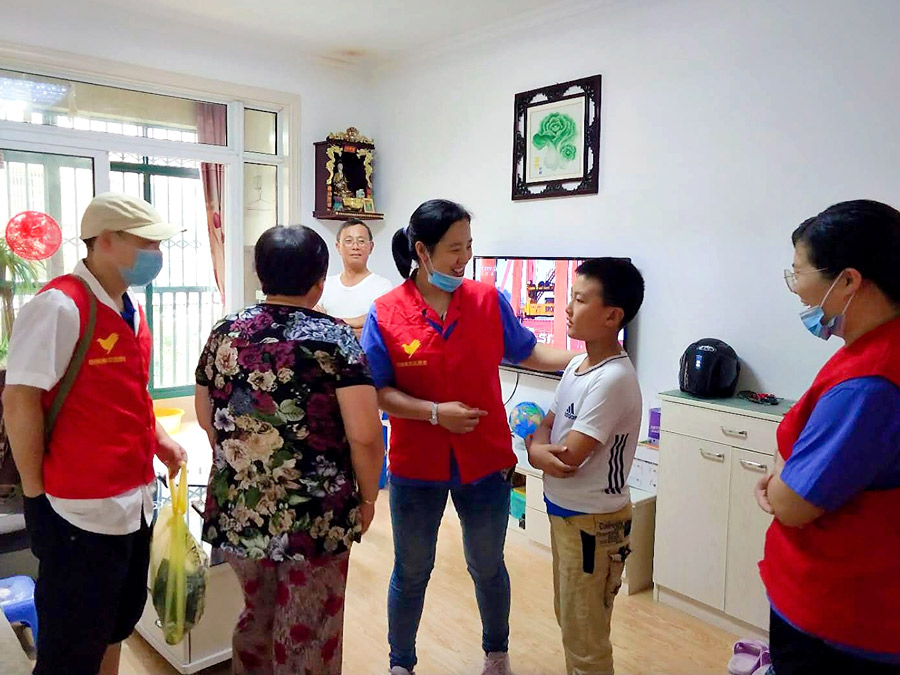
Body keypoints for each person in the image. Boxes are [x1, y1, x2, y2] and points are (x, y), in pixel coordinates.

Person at [360, 199, 577, 675]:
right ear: (423, 251)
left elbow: (528, 352)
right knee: (412, 570)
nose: (464, 258)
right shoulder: (386, 313)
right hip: (417, 464)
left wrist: (589, 359)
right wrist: (435, 413)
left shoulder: (486, 300)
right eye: (454, 248)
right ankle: (401, 664)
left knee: (487, 565)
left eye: (469, 246)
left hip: (485, 460)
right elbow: (378, 391)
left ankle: (496, 655)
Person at [2, 192, 187, 675]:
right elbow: (19, 402)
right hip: (77, 511)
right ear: (105, 240)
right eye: (148, 243)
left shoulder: (130, 308)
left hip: (134, 502)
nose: (157, 255)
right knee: (70, 646)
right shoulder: (60, 306)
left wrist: (159, 439)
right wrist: (37, 497)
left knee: (115, 625)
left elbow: (128, 391)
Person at [195, 225, 384, 675]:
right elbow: (364, 434)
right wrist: (368, 497)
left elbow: (205, 413)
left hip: (240, 506)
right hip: (314, 513)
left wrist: (244, 460)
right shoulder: (334, 338)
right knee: (308, 627)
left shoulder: (226, 331)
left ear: (260, 274)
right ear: (319, 280)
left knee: (255, 616)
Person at [756, 200, 900, 673]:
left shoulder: (870, 384)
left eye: (799, 273)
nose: (797, 289)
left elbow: (793, 503)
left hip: (841, 616)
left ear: (849, 281)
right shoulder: (870, 348)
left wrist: (780, 474)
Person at [527, 258, 644, 675]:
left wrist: (535, 452)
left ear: (612, 316)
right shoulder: (577, 366)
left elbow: (568, 459)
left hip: (594, 524)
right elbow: (547, 423)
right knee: (572, 619)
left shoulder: (612, 379)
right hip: (568, 516)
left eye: (579, 300)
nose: (567, 308)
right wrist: (538, 448)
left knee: (586, 637)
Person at [317, 218, 393, 338]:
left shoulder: (383, 286)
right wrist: (356, 327)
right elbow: (316, 323)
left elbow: (378, 324)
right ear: (338, 246)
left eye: (361, 241)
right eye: (349, 241)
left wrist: (332, 324)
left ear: (371, 247)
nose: (355, 246)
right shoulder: (325, 285)